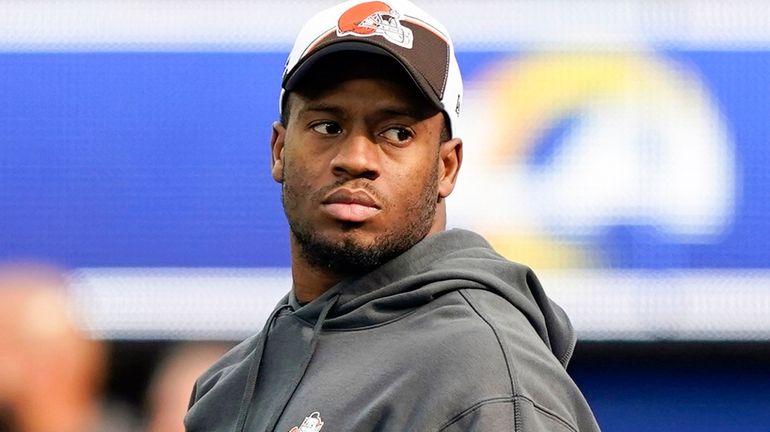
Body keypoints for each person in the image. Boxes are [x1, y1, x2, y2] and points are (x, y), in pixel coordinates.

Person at [185, 0, 600, 431]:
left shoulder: (483, 377)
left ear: (447, 167)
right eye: (328, 126)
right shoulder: (227, 384)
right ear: (279, 150)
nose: (356, 158)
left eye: (397, 133)